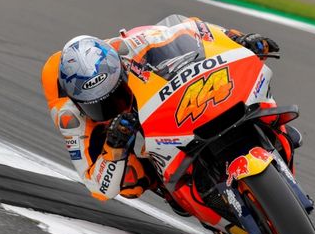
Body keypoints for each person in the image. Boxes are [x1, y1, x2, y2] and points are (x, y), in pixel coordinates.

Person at [40, 15, 291, 203]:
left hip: (153, 92)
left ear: (120, 70)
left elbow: (195, 30)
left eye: (115, 97)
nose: (111, 106)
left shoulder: (128, 48)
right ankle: (168, 184)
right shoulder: (68, 114)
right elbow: (98, 187)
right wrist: (114, 147)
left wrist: (239, 39)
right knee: (129, 181)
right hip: (114, 130)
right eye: (100, 105)